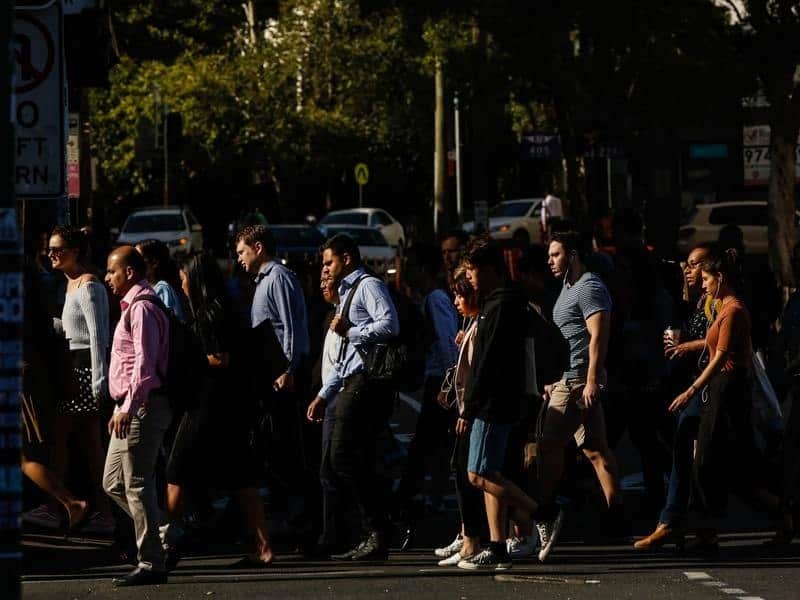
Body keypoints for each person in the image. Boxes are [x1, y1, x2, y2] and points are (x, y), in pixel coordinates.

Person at [162, 252, 274, 568]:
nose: (181, 283)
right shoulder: (227, 309)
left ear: (196, 280)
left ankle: (164, 543)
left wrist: (190, 361)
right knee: (241, 477)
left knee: (177, 470)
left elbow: (219, 358)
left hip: (207, 406)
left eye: (184, 277)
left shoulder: (210, 314)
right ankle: (264, 547)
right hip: (229, 406)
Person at [668, 248, 783, 553]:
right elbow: (711, 341)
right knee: (725, 466)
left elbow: (719, 357)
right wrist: (686, 347)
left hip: (729, 392)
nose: (702, 285)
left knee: (711, 462)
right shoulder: (720, 307)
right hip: (722, 391)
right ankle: (780, 517)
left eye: (706, 279)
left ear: (720, 278)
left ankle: (709, 531)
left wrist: (690, 391)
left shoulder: (732, 310)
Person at [306, 234, 400, 561]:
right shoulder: (348, 292)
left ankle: (378, 526)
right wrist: (323, 393)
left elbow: (390, 324)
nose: (326, 270)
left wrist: (353, 331)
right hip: (347, 381)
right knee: (336, 461)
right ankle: (364, 530)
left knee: (342, 456)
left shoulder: (369, 286)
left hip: (366, 381)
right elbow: (345, 354)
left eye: (330, 262)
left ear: (346, 258)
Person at [537, 229, 623, 562]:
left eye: (556, 254)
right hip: (568, 377)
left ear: (573, 255)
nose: (550, 261)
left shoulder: (589, 286)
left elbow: (598, 336)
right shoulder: (569, 286)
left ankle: (544, 514)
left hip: (577, 381)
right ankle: (616, 516)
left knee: (548, 446)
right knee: (595, 450)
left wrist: (589, 381)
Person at [456, 236, 539, 570]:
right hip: (496, 399)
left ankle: (542, 513)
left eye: (474, 269)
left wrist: (470, 406)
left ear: (490, 269)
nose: (470, 277)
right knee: (490, 471)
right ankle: (497, 545)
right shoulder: (498, 302)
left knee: (477, 474)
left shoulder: (501, 305)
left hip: (494, 402)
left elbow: (488, 363)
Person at [634, 243, 714, 550]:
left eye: (694, 265)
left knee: (694, 452)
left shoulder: (719, 303)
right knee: (696, 457)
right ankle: (688, 525)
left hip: (711, 387)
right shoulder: (695, 302)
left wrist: (685, 346)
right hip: (694, 384)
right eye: (687, 264)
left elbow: (719, 341)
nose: (688, 269)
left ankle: (673, 522)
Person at [102, 246, 171, 587]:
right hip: (127, 405)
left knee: (137, 484)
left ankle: (151, 563)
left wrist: (128, 408)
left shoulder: (142, 307)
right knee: (113, 482)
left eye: (112, 271)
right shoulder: (132, 306)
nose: (107, 277)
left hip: (142, 405)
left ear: (129, 272)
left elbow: (144, 366)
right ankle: (163, 533)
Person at [235, 224, 311, 531]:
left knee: (285, 444)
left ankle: (299, 511)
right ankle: (290, 507)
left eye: (241, 251)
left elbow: (290, 326)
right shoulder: (263, 280)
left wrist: (288, 369)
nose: (238, 258)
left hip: (284, 374)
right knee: (275, 443)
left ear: (258, 248)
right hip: (272, 374)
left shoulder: (277, 278)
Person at [47, 225, 114, 535]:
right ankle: (101, 509)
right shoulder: (71, 285)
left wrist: (100, 382)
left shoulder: (89, 286)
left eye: (58, 249)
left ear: (74, 251)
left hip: (85, 373)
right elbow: (73, 328)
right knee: (90, 445)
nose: (51, 254)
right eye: (50, 248)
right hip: (72, 369)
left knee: (63, 436)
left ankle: (62, 505)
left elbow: (98, 336)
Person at [395, 244, 459, 547]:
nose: (407, 276)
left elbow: (448, 344)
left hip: (441, 382)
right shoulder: (432, 299)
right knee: (439, 446)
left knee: (425, 444)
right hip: (440, 381)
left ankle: (408, 498)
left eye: (411, 269)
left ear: (422, 271)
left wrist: (450, 384)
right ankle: (433, 496)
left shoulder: (436, 300)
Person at [21, 261, 89, 531]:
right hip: (35, 379)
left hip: (21, 382)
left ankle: (70, 502)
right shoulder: (37, 303)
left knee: (25, 457)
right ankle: (67, 503)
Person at [433, 267, 487, 566]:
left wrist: (467, 410)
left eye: (459, 294)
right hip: (468, 406)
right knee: (467, 469)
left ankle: (474, 539)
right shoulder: (473, 324)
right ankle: (469, 536)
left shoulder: (480, 325)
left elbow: (477, 374)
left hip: (474, 409)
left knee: (475, 472)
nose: (454, 301)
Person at [135, 239, 188, 322]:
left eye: (137, 259)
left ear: (154, 263)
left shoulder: (162, 289)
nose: (132, 263)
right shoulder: (145, 288)